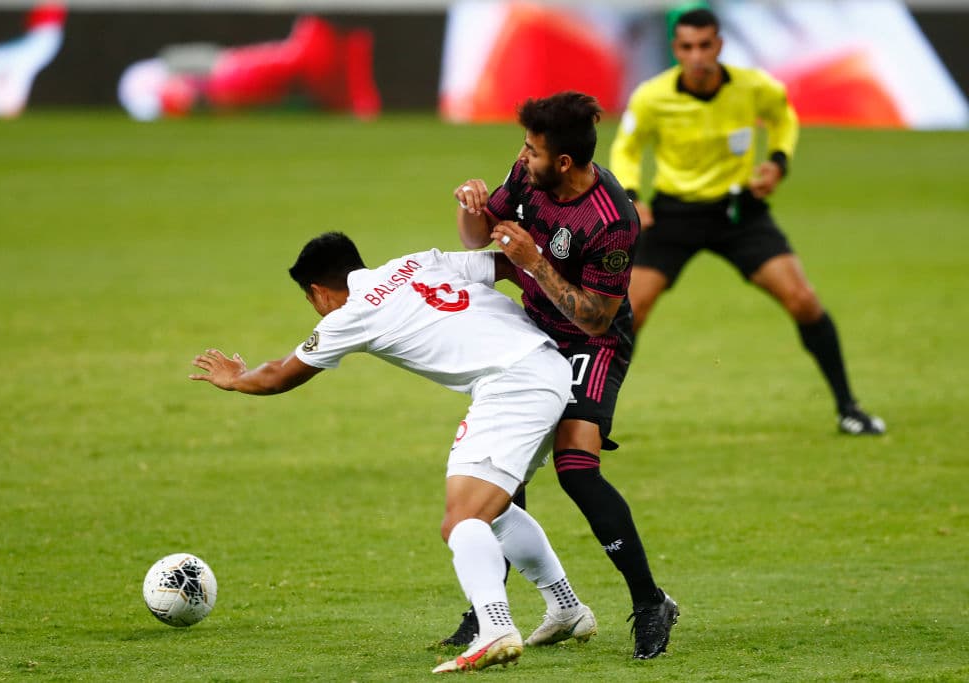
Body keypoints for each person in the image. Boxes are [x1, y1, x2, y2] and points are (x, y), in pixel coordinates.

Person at [190, 232, 597, 674]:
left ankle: (496, 627)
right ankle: (567, 609)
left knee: (462, 520)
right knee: (492, 511)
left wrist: (234, 378)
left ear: (317, 291)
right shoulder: (420, 261)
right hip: (552, 367)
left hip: (513, 386)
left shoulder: (351, 314)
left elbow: (278, 376)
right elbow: (509, 264)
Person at [451, 91, 678, 660]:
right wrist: (472, 204)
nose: (523, 158)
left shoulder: (612, 220)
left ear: (566, 163)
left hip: (591, 343)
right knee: (507, 466)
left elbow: (597, 315)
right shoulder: (529, 176)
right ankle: (489, 611)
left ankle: (650, 603)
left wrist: (533, 263)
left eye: (533, 150)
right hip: (531, 336)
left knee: (577, 469)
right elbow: (480, 238)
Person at [609, 7, 885, 436]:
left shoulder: (754, 87)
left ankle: (849, 408)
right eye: (687, 47)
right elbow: (626, 148)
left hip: (738, 214)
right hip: (673, 215)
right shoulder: (652, 96)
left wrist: (778, 161)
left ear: (719, 44)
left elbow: (783, 118)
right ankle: (594, 421)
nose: (697, 55)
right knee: (629, 313)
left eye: (705, 45)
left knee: (803, 300)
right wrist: (631, 197)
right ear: (675, 49)